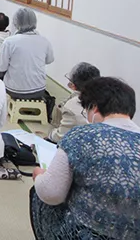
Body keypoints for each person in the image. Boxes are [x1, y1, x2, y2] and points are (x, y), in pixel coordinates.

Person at [31, 77, 140, 239]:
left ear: (94, 108)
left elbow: (51, 194)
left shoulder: (81, 135)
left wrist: (39, 175)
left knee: (39, 192)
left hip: (85, 234)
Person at [0, 8, 54, 99]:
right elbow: (50, 60)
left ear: (16, 22)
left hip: (14, 91)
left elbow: (1, 67)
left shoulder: (10, 42)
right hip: (39, 90)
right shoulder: (44, 40)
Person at [47, 62, 100, 143]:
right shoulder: (106, 97)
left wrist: (49, 135)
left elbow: (60, 137)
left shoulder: (72, 106)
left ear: (73, 85)